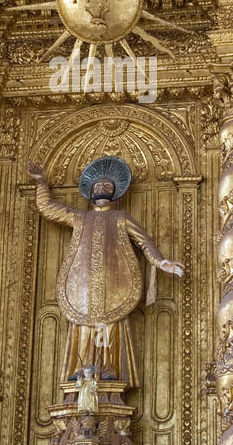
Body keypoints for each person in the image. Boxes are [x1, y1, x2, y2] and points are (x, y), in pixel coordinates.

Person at [27, 155, 183, 386]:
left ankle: (108, 367)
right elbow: (48, 209)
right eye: (98, 185)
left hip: (113, 284)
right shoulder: (79, 217)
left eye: (107, 186)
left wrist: (161, 262)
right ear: (91, 191)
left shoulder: (121, 218)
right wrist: (41, 183)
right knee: (82, 320)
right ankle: (81, 368)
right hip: (84, 285)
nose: (102, 188)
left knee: (110, 322)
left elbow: (144, 242)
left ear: (114, 192)